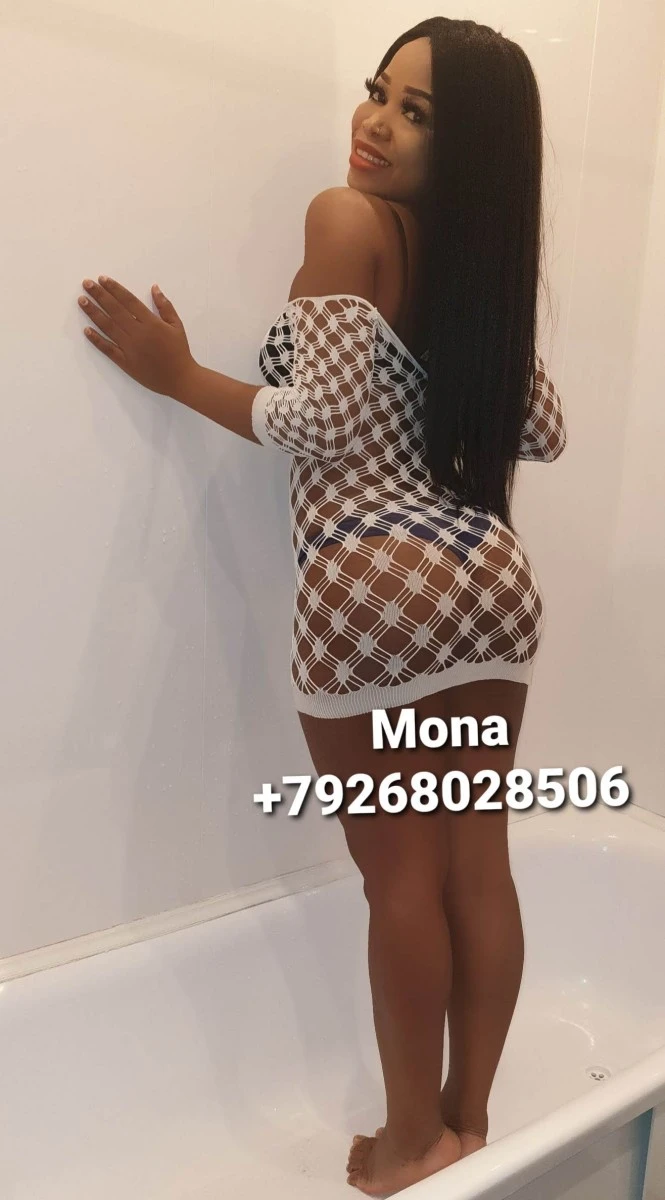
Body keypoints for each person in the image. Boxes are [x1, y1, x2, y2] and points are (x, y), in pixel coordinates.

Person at [252, 17, 566, 1196]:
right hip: (489, 582)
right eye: (377, 91)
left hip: (373, 584)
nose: (373, 122)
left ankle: (404, 1146)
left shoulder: (345, 221)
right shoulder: (474, 267)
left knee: (399, 879)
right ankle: (465, 1119)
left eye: (416, 112)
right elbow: (541, 427)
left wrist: (175, 375)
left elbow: (323, 419)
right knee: (473, 862)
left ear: (467, 146)